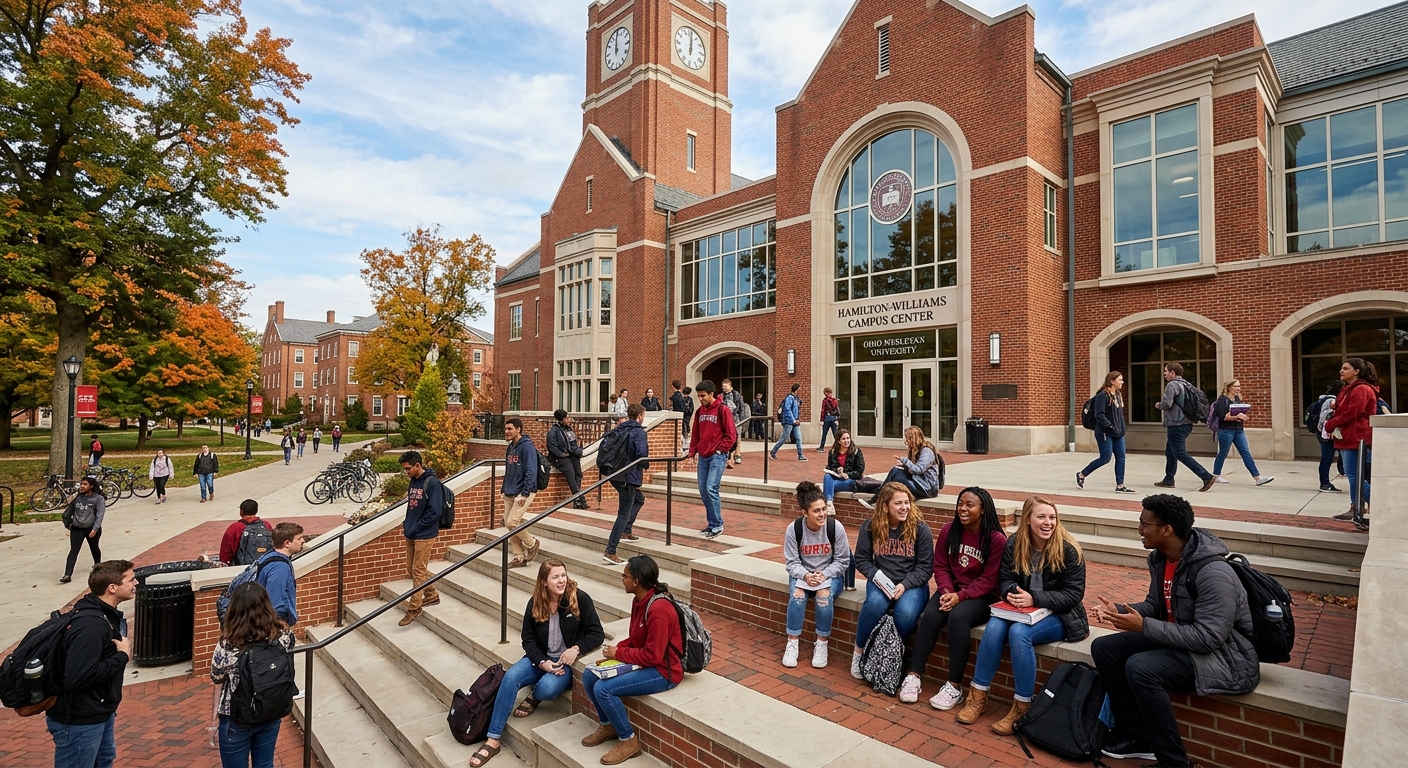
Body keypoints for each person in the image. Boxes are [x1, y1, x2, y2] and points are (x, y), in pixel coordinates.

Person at [1093, 494, 1258, 764]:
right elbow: (1154, 605)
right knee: (1104, 648)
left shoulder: (1213, 573)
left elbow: (1209, 638)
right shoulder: (1161, 559)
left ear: (1167, 530)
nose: (1139, 529)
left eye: (1144, 523)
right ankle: (1137, 736)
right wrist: (1119, 611)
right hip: (1182, 640)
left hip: (1224, 657)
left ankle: (1173, 761)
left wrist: (1144, 626)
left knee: (1141, 667)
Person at [957, 496, 1087, 735]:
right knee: (995, 625)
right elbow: (1005, 578)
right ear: (1028, 520)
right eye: (1041, 517)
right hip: (1024, 609)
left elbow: (1073, 594)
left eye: (1052, 517)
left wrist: (1035, 598)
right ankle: (978, 695)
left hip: (1062, 616)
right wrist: (1012, 594)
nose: (1048, 523)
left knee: (1018, 633)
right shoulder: (1016, 542)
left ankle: (1023, 705)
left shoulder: (1068, 549)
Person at [473, 560, 605, 767]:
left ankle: (534, 696)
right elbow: (528, 639)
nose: (562, 580)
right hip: (540, 660)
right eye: (555, 577)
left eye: (563, 575)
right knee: (510, 677)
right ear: (544, 581)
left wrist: (576, 649)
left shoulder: (579, 598)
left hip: (565, 663)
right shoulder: (535, 602)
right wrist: (541, 662)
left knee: (546, 689)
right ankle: (493, 738)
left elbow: (597, 633)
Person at [900, 487, 1007, 709]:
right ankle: (914, 675)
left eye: (970, 505)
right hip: (952, 590)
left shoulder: (996, 539)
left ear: (983, 509)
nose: (963, 509)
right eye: (960, 504)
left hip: (983, 596)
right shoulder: (949, 531)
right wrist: (947, 590)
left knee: (958, 618)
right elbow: (940, 566)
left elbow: (989, 579)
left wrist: (960, 596)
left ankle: (954, 686)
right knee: (930, 614)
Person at [581, 556, 683, 766]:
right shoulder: (639, 601)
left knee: (603, 688)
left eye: (625, 576)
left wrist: (618, 654)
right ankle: (608, 725)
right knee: (589, 675)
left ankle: (628, 740)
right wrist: (614, 652)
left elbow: (653, 656)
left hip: (664, 672)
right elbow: (637, 640)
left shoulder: (659, 609)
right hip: (647, 663)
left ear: (636, 581)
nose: (622, 579)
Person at [48, 560, 135, 768]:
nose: (136, 583)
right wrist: (122, 656)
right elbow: (77, 677)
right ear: (112, 588)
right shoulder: (92, 626)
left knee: (103, 761)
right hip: (80, 720)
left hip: (99, 712)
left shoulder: (104, 614)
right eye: (131, 579)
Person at [850, 482, 934, 680]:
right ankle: (859, 651)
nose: (904, 507)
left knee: (905, 612)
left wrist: (905, 584)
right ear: (885, 506)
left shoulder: (921, 529)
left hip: (912, 585)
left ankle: (893, 655)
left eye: (907, 502)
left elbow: (925, 567)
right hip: (881, 582)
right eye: (898, 503)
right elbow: (861, 559)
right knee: (876, 603)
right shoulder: (871, 526)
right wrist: (878, 577)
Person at [210, 582, 295, 768]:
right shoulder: (283, 636)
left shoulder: (227, 644)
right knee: (265, 764)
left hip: (235, 715)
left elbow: (216, 676)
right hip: (270, 709)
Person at [782, 481, 852, 669]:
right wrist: (805, 576)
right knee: (797, 595)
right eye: (816, 511)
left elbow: (843, 560)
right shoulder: (794, 529)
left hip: (830, 575)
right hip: (803, 575)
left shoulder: (834, 527)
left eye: (823, 509)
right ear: (805, 513)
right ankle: (792, 642)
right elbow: (791, 563)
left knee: (823, 596)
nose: (822, 514)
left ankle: (821, 644)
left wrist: (824, 575)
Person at [1325, 357, 1379, 521]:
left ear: (1357, 371)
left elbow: (1352, 413)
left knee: (1355, 475)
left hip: (1357, 437)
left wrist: (1330, 424)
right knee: (1354, 475)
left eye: (1346, 368)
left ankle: (1376, 504)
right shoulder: (1348, 389)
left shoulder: (1361, 389)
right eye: (1342, 368)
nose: (1341, 371)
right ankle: (1356, 507)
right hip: (1349, 436)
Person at [1154, 363, 1215, 493]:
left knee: (1180, 453)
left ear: (1172, 373)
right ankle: (1169, 479)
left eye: (1166, 371)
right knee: (1170, 451)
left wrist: (1159, 405)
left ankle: (1206, 476)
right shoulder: (1187, 384)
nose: (1164, 373)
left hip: (1176, 424)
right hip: (1187, 423)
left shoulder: (1172, 385)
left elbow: (1167, 404)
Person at [399, 450, 444, 626]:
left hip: (425, 534)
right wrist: (407, 525)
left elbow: (435, 512)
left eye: (408, 468)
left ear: (418, 465)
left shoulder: (432, 483)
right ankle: (432, 594)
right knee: (412, 568)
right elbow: (412, 506)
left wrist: (418, 527)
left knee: (418, 569)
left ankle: (414, 608)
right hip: (411, 531)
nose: (406, 472)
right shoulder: (413, 481)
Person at [687, 380, 737, 539]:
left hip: (717, 456)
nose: (700, 399)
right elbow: (695, 433)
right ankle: (711, 524)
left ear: (711, 394)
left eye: (703, 396)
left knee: (711, 488)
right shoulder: (699, 412)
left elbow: (731, 435)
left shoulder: (723, 410)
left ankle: (717, 524)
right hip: (703, 455)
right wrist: (692, 450)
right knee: (703, 490)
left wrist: (721, 450)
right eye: (698, 396)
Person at [603, 404, 650, 565]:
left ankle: (627, 530)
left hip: (614, 474)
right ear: (640, 415)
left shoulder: (620, 428)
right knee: (623, 513)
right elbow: (641, 455)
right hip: (627, 476)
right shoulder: (638, 432)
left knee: (639, 499)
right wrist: (645, 465)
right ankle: (610, 551)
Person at [1076, 371, 1134, 493]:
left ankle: (1120, 485)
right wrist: (1109, 426)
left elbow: (1119, 414)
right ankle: (1082, 474)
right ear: (1112, 381)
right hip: (1104, 432)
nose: (1122, 382)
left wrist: (1122, 427)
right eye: (1120, 380)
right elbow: (1099, 415)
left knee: (1121, 457)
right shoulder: (1102, 396)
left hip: (1118, 433)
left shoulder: (1118, 395)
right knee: (1105, 458)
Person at [858, 426, 943, 509]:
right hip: (919, 483)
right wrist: (904, 466)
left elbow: (918, 469)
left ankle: (876, 498)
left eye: (908, 438)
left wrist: (905, 460)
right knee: (895, 471)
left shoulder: (927, 451)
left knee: (895, 478)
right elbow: (913, 470)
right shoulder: (914, 450)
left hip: (927, 488)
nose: (906, 441)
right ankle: (877, 498)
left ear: (914, 438)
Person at [1210, 380, 1273, 486]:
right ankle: (1216, 475)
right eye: (1236, 386)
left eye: (1239, 386)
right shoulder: (1222, 400)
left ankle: (1257, 478)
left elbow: (1238, 413)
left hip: (1239, 429)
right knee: (1223, 453)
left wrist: (1243, 417)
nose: (1238, 388)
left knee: (1245, 452)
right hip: (1226, 430)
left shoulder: (1237, 399)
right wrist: (1237, 417)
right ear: (1229, 387)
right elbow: (1223, 417)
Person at [502, 418, 542, 568]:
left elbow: (531, 472)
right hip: (509, 491)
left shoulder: (527, 447)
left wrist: (524, 493)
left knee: (512, 522)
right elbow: (509, 470)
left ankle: (532, 543)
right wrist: (503, 489)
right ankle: (519, 557)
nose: (507, 431)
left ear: (518, 430)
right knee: (509, 524)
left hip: (523, 491)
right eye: (506, 429)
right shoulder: (511, 447)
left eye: (510, 429)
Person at [254, 523, 304, 627]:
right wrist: (280, 624)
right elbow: (275, 602)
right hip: (273, 625)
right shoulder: (280, 568)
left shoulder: (269, 556)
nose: (303, 541)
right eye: (299, 538)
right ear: (287, 543)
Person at [60, 476, 106, 584]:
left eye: (85, 484)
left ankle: (97, 565)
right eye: (81, 484)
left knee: (94, 548)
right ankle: (67, 574)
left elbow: (100, 515)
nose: (82, 486)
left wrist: (95, 529)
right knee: (74, 551)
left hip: (91, 528)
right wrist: (69, 524)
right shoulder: (78, 498)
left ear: (91, 486)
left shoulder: (98, 499)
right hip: (77, 528)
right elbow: (68, 512)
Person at [547, 410, 589, 511]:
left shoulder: (569, 429)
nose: (569, 419)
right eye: (567, 418)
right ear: (562, 420)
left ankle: (576, 499)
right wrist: (561, 454)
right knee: (571, 475)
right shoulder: (554, 431)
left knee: (578, 474)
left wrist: (578, 451)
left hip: (573, 455)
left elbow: (573, 442)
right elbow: (551, 446)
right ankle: (579, 498)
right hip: (562, 457)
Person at [822, 429, 865, 515]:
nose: (846, 441)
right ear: (838, 441)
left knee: (830, 486)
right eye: (843, 439)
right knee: (827, 476)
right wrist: (838, 470)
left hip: (851, 480)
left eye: (848, 438)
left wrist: (847, 474)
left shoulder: (856, 451)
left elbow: (860, 470)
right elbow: (829, 467)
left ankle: (828, 503)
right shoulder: (833, 452)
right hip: (837, 477)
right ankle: (830, 504)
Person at [220, 499, 274, 566]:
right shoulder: (266, 525)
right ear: (256, 511)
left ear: (241, 512)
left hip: (243, 569)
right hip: (266, 566)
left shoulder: (235, 528)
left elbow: (226, 553)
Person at [1313, 381, 1344, 493]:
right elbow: (1325, 417)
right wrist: (1328, 430)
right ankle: (1324, 483)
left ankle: (1330, 479)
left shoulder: (1322, 399)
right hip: (1327, 433)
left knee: (1331, 456)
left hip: (1323, 432)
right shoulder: (1331, 401)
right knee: (1327, 457)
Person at [770, 383, 807, 461]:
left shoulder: (796, 398)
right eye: (799, 389)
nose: (800, 391)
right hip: (788, 421)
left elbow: (796, 411)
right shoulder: (790, 398)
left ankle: (800, 455)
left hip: (795, 421)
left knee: (798, 438)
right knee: (784, 438)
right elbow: (787, 409)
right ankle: (773, 452)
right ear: (796, 390)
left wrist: (797, 419)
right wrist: (793, 419)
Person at [719, 378, 747, 465]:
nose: (724, 388)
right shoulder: (720, 396)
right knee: (727, 436)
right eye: (723, 387)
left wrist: (742, 420)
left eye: (726, 386)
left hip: (735, 418)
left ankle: (737, 454)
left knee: (737, 437)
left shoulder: (737, 396)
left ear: (731, 387)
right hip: (724, 419)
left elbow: (742, 408)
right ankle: (728, 456)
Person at [816, 387, 840, 453]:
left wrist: (822, 420)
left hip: (827, 419)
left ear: (826, 392)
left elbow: (823, 411)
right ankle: (838, 448)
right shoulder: (835, 400)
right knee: (835, 434)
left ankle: (821, 447)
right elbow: (837, 410)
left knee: (824, 434)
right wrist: (837, 418)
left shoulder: (825, 400)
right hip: (834, 419)